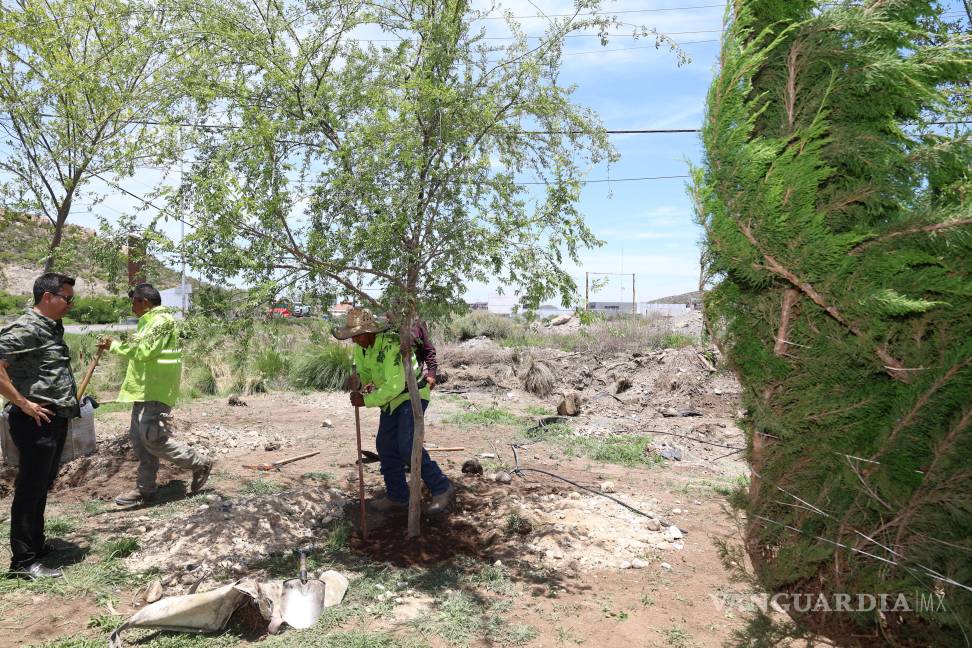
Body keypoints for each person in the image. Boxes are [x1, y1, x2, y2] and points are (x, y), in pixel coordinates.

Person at [98, 283, 212, 506]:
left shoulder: (161, 322)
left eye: (134, 303)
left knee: (153, 439)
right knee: (140, 441)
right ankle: (145, 490)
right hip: (143, 389)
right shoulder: (148, 322)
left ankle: (200, 463)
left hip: (157, 390)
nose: (132, 308)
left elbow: (145, 352)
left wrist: (114, 346)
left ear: (145, 302)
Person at [333, 308, 452, 514]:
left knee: (406, 445)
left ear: (370, 332)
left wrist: (366, 400)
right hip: (390, 401)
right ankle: (398, 496)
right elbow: (366, 371)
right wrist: (360, 380)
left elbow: (395, 386)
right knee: (385, 445)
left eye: (357, 335)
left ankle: (442, 488)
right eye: (352, 336)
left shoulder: (392, 345)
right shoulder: (362, 348)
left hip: (411, 395)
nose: (354, 341)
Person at [0, 273, 80, 579]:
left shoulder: (50, 327)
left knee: (41, 485)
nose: (70, 304)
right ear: (47, 297)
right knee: (29, 489)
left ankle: (35, 544)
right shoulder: (27, 327)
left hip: (52, 418)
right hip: (35, 419)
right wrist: (23, 403)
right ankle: (23, 562)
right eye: (67, 298)